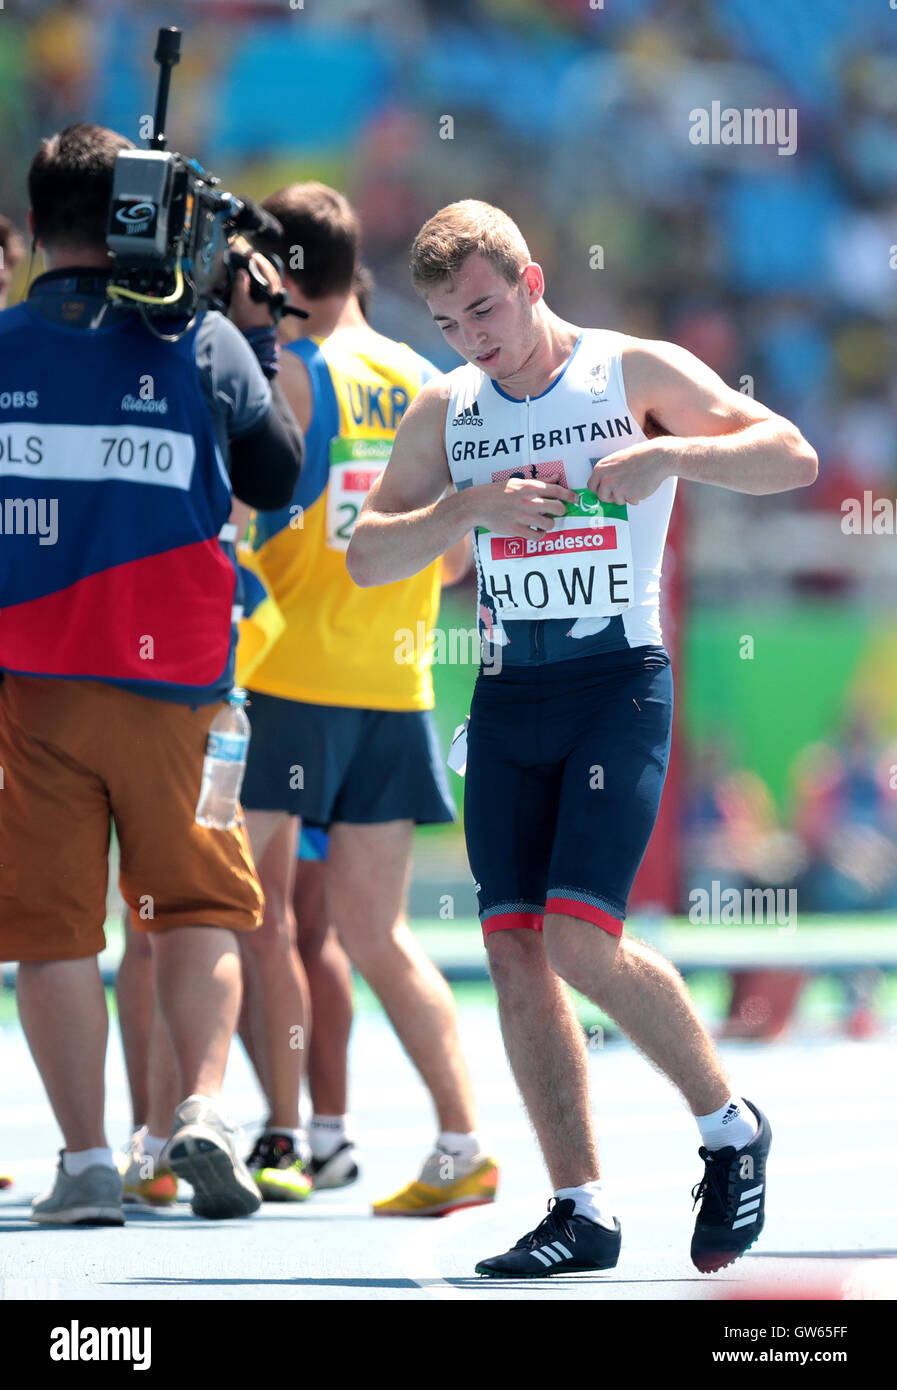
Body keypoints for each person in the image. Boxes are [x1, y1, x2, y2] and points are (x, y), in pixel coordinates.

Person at [347, 199, 818, 1274]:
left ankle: (730, 1125)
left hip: (617, 684)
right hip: (510, 698)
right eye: (450, 321)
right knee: (513, 951)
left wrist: (671, 460)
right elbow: (369, 555)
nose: (475, 337)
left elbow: (790, 454)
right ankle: (582, 1209)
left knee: (577, 939)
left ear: (533, 280)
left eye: (486, 308)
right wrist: (463, 512)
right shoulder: (449, 410)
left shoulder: (623, 373)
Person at [0, 123, 303, 1225]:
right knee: (199, 912)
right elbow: (278, 478)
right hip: (187, 694)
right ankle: (205, 1110)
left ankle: (84, 1165)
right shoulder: (206, 344)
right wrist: (250, 339)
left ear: (36, 228)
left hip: (34, 692)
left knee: (52, 933)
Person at [236, 182, 498, 1214]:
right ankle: (463, 1138)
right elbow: (454, 558)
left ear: (282, 276)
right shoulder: (428, 378)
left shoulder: (290, 375)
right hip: (397, 687)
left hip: (287, 678)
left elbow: (238, 516)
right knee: (375, 935)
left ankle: (287, 1137)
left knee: (248, 922)